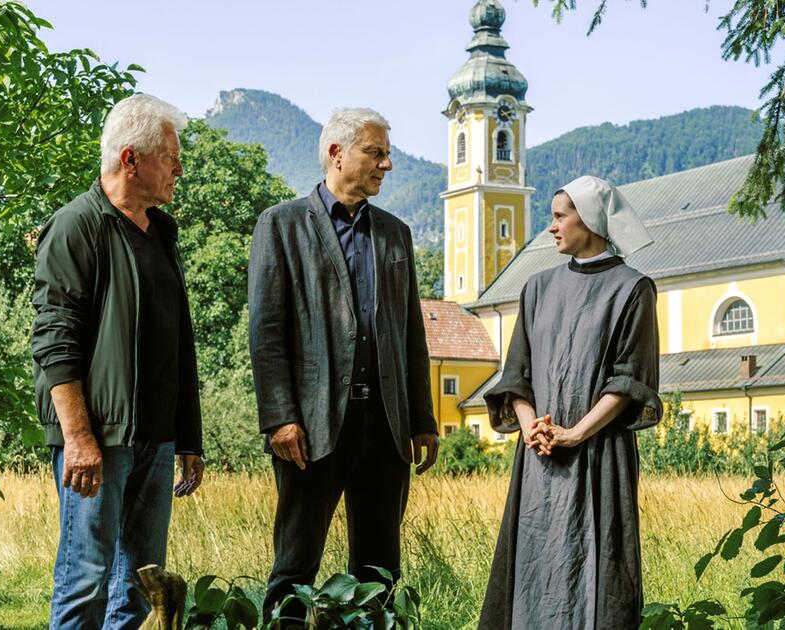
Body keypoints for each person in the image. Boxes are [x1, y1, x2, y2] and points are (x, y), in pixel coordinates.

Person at [247, 107, 440, 623]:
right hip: (310, 428)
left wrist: (422, 419)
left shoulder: (395, 235)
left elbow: (411, 336)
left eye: (386, 154)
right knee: (294, 565)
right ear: (337, 153)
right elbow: (266, 334)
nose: (387, 164)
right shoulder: (281, 225)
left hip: (386, 427)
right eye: (375, 153)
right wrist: (280, 417)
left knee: (379, 570)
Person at [30, 93, 206, 629]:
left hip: (156, 441)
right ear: (131, 160)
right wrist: (79, 439)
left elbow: (180, 344)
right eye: (169, 157)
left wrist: (189, 437)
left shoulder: (164, 233)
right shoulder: (76, 226)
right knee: (85, 577)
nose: (179, 168)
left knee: (138, 583)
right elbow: (54, 342)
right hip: (100, 440)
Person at [478, 176, 663, 629]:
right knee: (533, 561)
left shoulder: (632, 289)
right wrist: (531, 428)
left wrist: (575, 433)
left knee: (596, 564)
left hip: (599, 454)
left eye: (560, 216)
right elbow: (516, 373)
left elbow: (629, 380)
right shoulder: (536, 288)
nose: (552, 227)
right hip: (539, 456)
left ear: (591, 219)